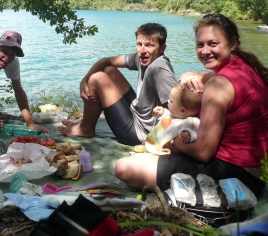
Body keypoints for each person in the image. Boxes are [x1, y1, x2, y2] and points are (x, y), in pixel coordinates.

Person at [115, 13, 268, 197]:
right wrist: (197, 74)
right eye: (200, 44)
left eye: (213, 44)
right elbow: (214, 78)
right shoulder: (247, 67)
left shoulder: (218, 86)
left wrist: (175, 141)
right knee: (147, 159)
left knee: (124, 167)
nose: (205, 51)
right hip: (255, 172)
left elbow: (203, 153)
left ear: (233, 43)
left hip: (233, 178)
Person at [59, 23, 177, 145]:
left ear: (162, 48)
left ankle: (85, 129)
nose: (142, 51)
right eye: (139, 44)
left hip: (141, 134)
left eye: (149, 45)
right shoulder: (142, 58)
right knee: (109, 71)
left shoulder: (160, 68)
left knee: (97, 78)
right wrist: (83, 82)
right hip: (137, 115)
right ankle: (85, 124)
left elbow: (178, 105)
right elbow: (106, 61)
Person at [145, 84, 202, 155]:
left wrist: (191, 134)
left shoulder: (194, 122)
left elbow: (199, 134)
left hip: (170, 154)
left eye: (171, 101)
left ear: (182, 111)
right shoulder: (177, 115)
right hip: (159, 148)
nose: (168, 101)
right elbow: (170, 119)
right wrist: (163, 112)